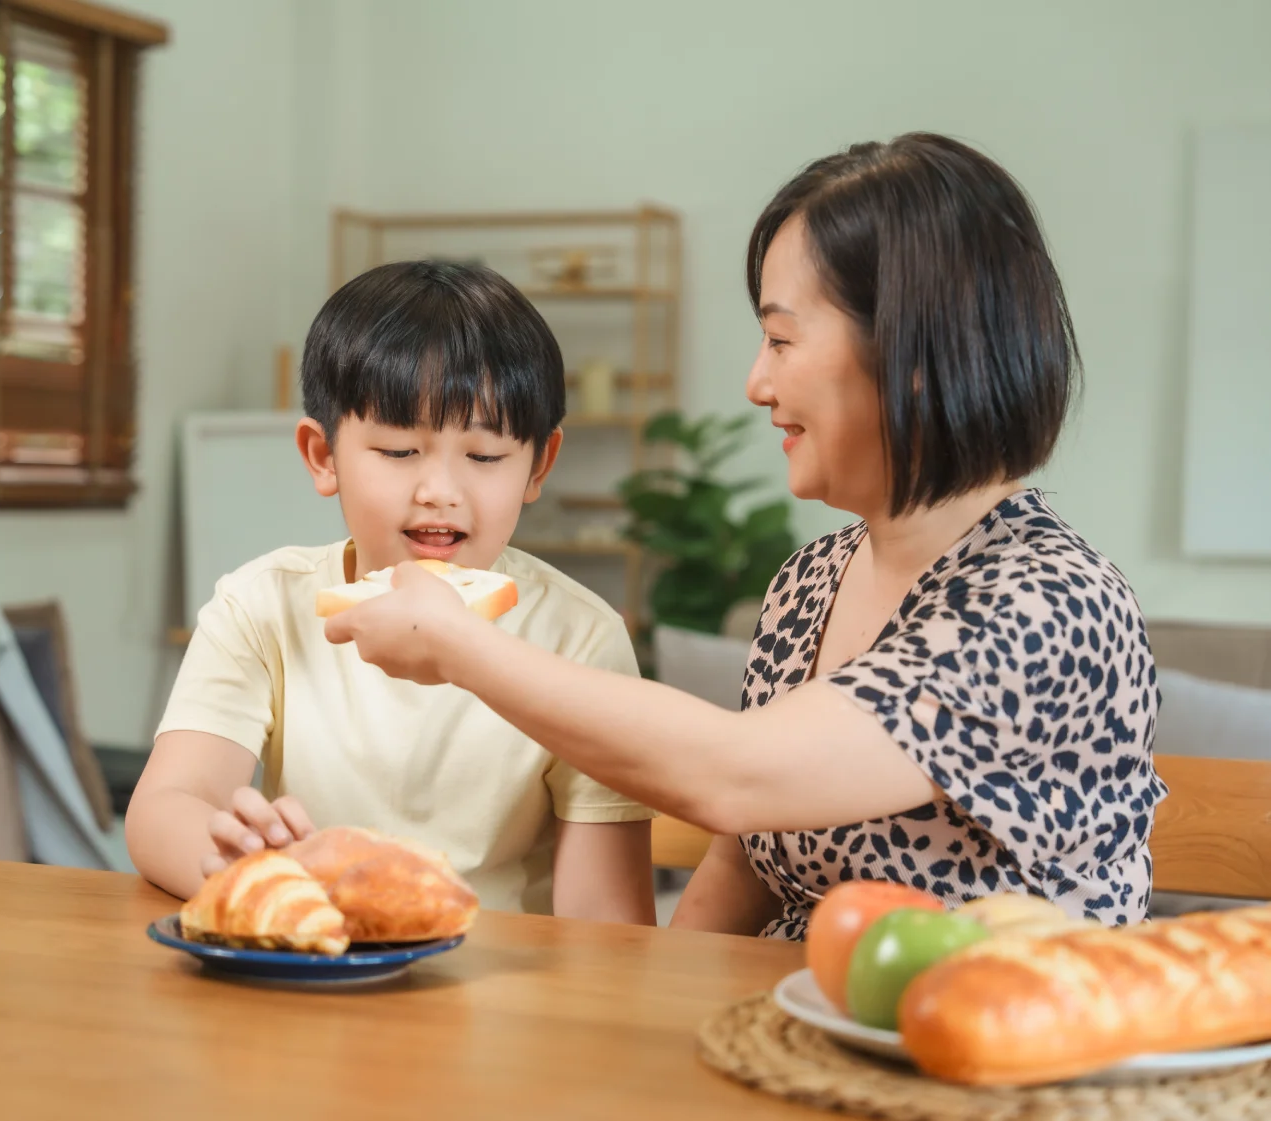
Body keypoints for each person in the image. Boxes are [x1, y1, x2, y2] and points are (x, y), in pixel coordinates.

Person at [324, 134, 1165, 940]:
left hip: (989, 1049)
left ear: (914, 354)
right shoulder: (813, 578)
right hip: (784, 1030)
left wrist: (454, 642)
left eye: (782, 338)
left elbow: (735, 776)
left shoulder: (1052, 604)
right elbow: (751, 854)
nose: (757, 382)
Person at [125, 260, 657, 923]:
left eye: (485, 457)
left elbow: (606, 915)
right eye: (400, 451)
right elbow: (166, 806)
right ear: (322, 456)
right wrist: (254, 870)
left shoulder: (582, 635)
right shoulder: (262, 604)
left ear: (538, 464)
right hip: (316, 962)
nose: (440, 489)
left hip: (500, 997)